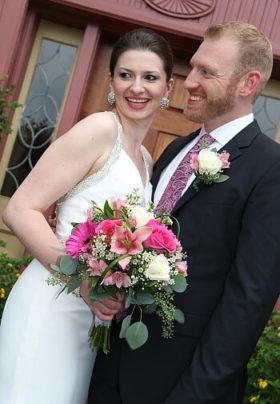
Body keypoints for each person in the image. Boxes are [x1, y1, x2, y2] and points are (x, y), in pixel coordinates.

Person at [89, 21, 280, 404]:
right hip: (110, 366)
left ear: (248, 83)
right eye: (192, 66)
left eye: (207, 72)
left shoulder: (270, 168)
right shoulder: (176, 149)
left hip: (179, 384)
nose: (189, 80)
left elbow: (248, 301)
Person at [0, 28, 173, 404]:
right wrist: (82, 281)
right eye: (126, 75)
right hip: (51, 305)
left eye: (150, 77)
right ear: (111, 81)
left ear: (167, 87)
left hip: (90, 321)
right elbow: (20, 208)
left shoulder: (144, 158)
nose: (136, 87)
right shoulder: (99, 129)